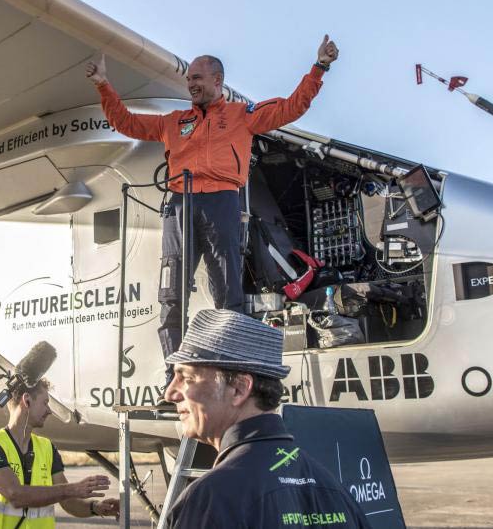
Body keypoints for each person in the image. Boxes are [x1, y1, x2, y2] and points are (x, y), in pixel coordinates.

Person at [86, 35, 340, 388]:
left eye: (197, 78)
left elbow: (291, 107)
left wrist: (319, 67)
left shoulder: (241, 116)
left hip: (222, 203)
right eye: (188, 79)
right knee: (171, 295)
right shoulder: (173, 121)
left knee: (228, 297)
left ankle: (230, 373)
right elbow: (125, 123)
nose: (190, 84)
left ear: (217, 81)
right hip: (178, 206)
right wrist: (103, 84)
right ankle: (173, 377)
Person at [162, 309, 369, 528]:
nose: (170, 393)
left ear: (239, 389)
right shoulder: (334, 491)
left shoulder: (211, 500)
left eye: (187, 378)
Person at [0, 378, 120, 527]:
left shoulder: (47, 448)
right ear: (27, 401)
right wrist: (73, 489)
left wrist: (95, 507)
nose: (49, 411)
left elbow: (67, 502)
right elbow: (15, 495)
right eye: (45, 403)